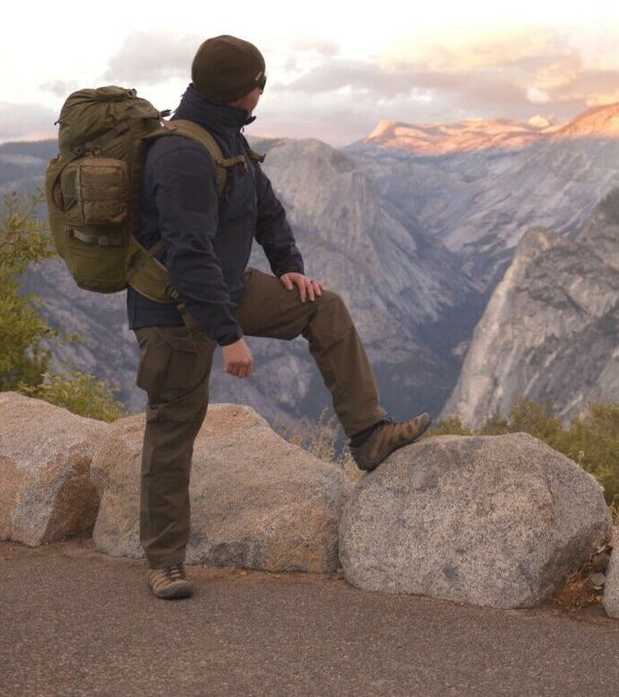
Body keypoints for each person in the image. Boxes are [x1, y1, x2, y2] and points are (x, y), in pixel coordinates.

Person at [128, 34, 430, 600]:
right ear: (242, 89)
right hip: (173, 306)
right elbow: (189, 256)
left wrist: (290, 266)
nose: (261, 91)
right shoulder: (183, 155)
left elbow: (267, 210)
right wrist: (230, 335)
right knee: (173, 426)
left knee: (326, 309)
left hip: (227, 284)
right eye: (258, 83)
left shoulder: (227, 136)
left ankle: (368, 435)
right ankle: (165, 561)